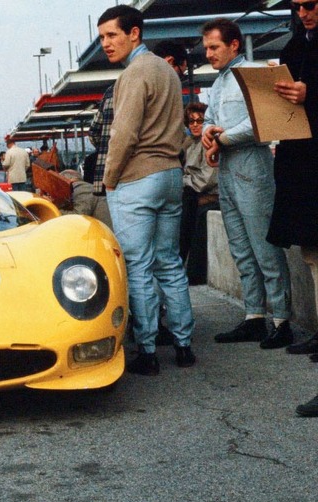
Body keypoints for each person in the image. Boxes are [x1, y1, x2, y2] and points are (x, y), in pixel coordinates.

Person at [98, 5, 195, 375]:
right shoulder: (167, 71)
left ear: (134, 33)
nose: (106, 43)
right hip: (170, 174)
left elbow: (123, 133)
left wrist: (109, 178)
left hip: (138, 177)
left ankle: (148, 351)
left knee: (138, 264)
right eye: (102, 37)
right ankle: (184, 346)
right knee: (169, 262)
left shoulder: (133, 74)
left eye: (112, 35)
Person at [201, 18, 294, 349]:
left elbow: (263, 120)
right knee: (240, 248)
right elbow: (209, 118)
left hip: (253, 165)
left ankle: (281, 320)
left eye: (214, 47)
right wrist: (207, 133)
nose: (208, 53)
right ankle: (254, 315)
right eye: (206, 48)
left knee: (264, 246)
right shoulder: (219, 82)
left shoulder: (256, 74)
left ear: (234, 45)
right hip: (228, 169)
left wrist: (221, 138)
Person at [260, 1, 318, 416]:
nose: (303, 13)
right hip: (303, 165)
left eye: (309, 4)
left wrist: (310, 95)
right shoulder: (297, 44)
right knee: (311, 252)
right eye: (296, 6)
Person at [180, 102, 219, 284]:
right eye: (191, 121)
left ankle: (193, 272)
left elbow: (206, 180)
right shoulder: (189, 144)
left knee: (190, 209)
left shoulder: (209, 143)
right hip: (194, 193)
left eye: (200, 121)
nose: (195, 125)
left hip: (210, 194)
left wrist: (184, 181)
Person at [89, 83, 114, 195]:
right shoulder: (161, 83)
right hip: (151, 168)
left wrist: (106, 148)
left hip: (110, 173)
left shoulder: (111, 91)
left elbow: (93, 132)